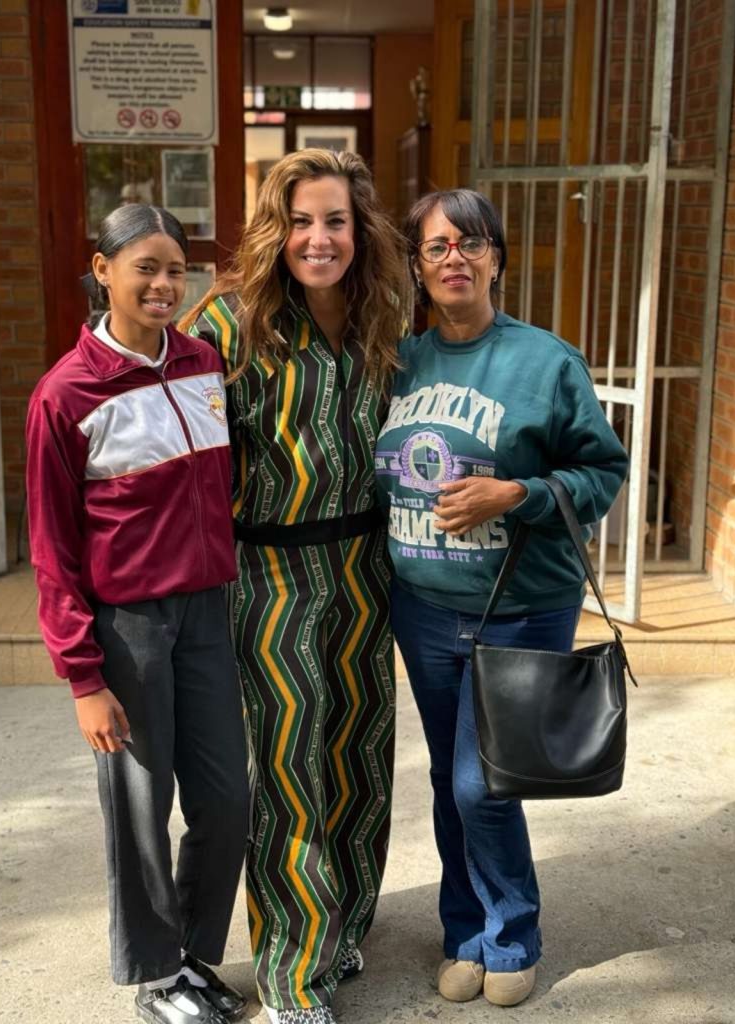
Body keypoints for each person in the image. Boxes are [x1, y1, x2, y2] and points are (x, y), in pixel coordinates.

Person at [375, 189, 629, 1008]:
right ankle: (464, 933)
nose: (455, 257)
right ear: (417, 267)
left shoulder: (545, 361)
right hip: (422, 605)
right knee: (452, 780)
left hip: (519, 606)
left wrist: (517, 494)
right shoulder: (397, 362)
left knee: (483, 784)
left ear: (497, 259)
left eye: (471, 242)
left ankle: (512, 933)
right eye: (436, 246)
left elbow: (602, 471)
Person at [179, 149, 411, 1024]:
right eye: (301, 221)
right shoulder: (224, 325)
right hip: (269, 573)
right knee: (289, 776)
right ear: (274, 231)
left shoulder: (379, 312)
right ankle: (292, 977)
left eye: (336, 221)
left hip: (366, 567)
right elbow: (178, 455)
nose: (320, 238)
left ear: (360, 229)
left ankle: (342, 924)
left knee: (360, 760)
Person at [26, 204, 250, 1024]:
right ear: (103, 270)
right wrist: (84, 678)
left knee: (226, 800)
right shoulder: (66, 394)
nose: (162, 285)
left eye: (175, 270)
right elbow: (52, 549)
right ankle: (158, 978)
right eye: (144, 268)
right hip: (129, 630)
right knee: (140, 810)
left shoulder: (202, 363)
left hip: (206, 615)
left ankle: (191, 955)